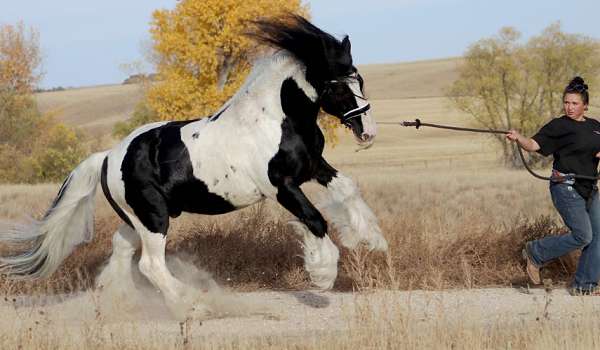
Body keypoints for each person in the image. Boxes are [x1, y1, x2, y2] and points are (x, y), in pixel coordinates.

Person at [506, 76, 600, 295]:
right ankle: (535, 252)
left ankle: (585, 286)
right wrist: (519, 138)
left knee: (598, 236)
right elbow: (533, 144)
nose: (569, 107)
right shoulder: (558, 126)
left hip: (589, 189)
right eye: (566, 102)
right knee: (583, 235)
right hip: (565, 186)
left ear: (585, 105)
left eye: (574, 103)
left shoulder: (596, 127)